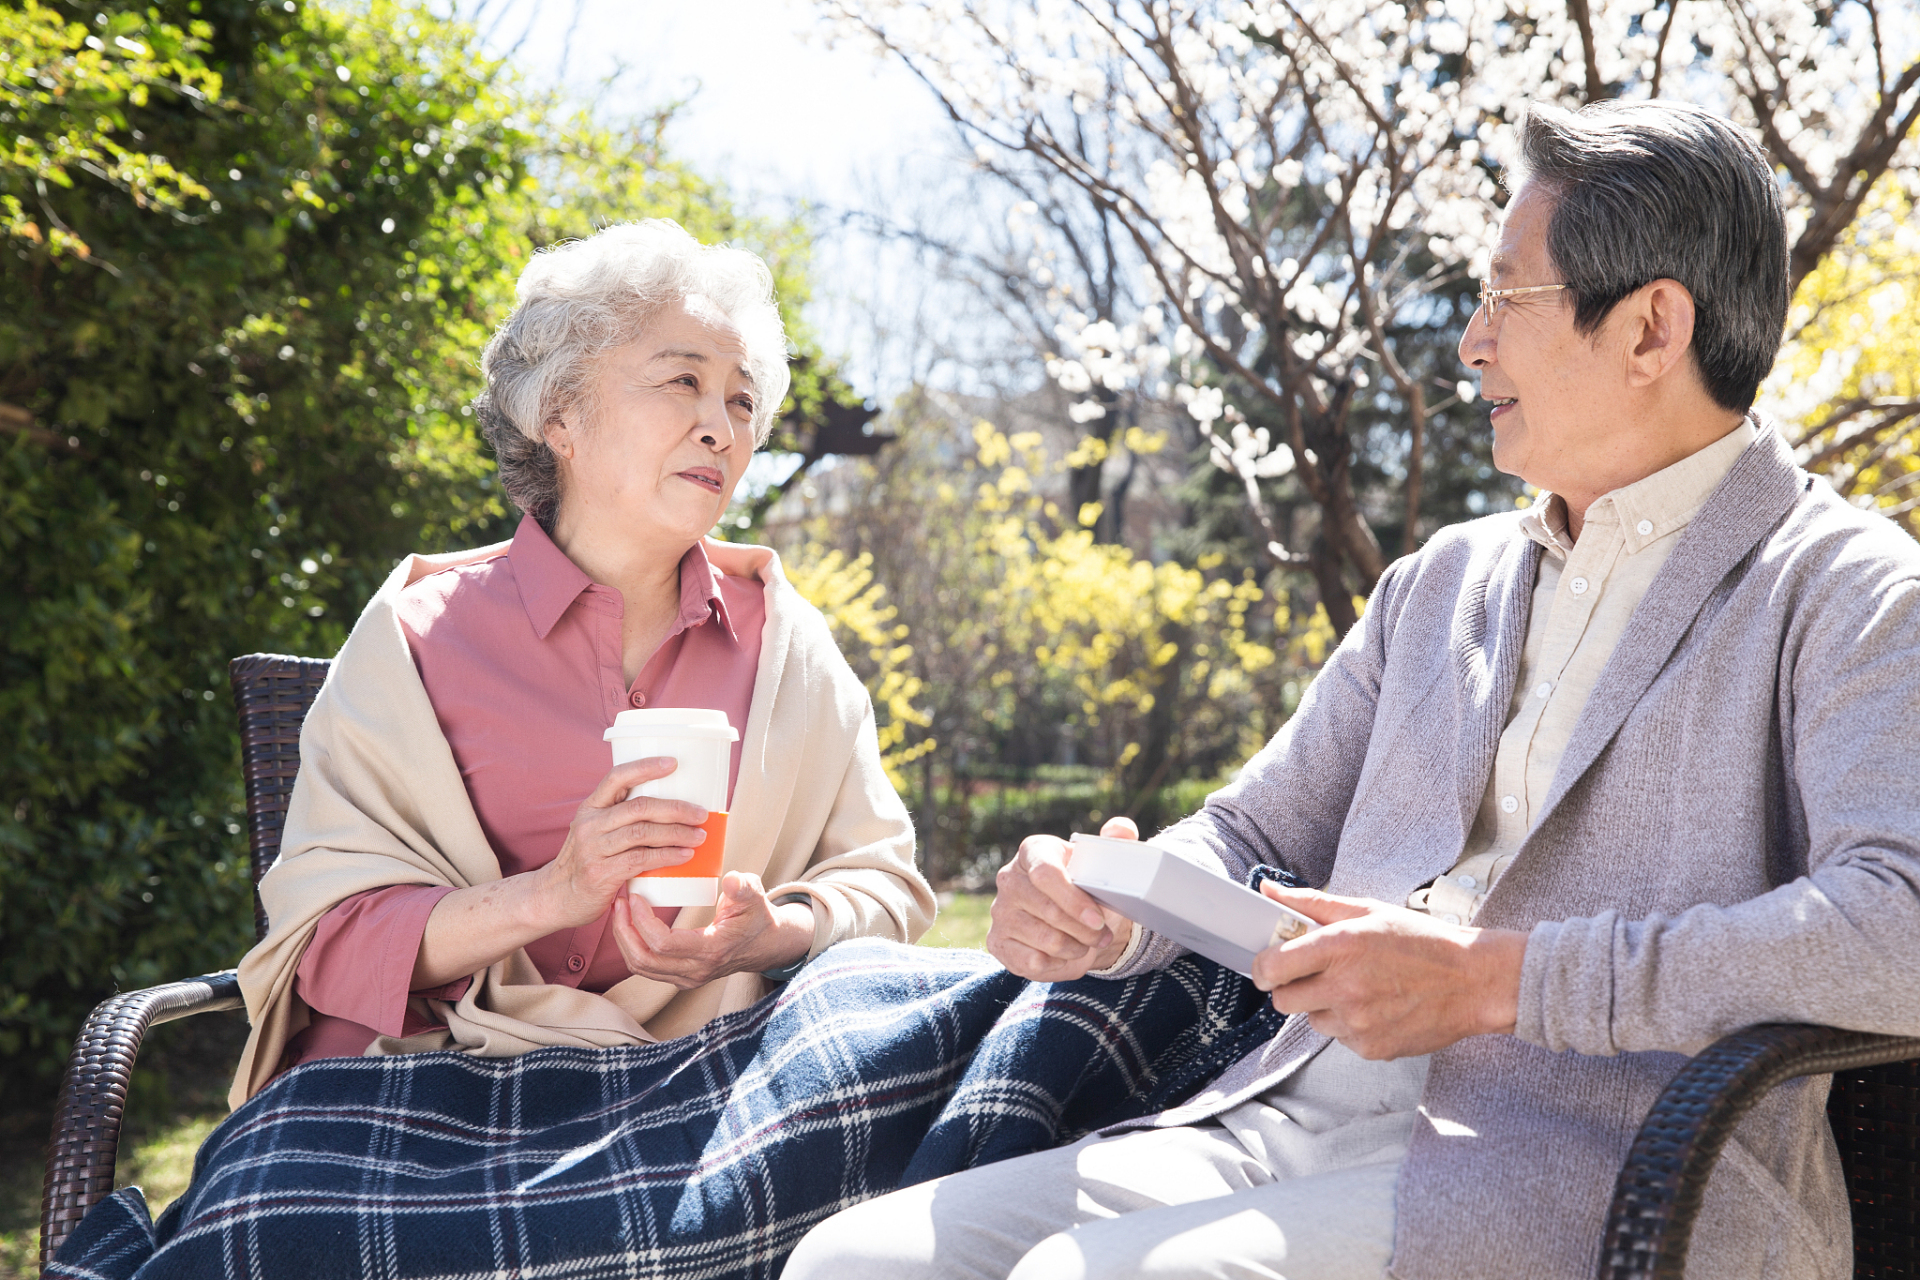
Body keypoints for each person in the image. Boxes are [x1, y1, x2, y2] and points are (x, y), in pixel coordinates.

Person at [784, 100, 1920, 1280]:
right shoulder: (1445, 582)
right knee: (857, 1259)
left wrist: (1500, 980)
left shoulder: (1848, 590)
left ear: (1649, 329)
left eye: (1504, 299)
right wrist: (1116, 907)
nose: (1471, 343)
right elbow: (1251, 829)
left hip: (1604, 1165)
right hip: (1288, 1117)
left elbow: (1902, 924)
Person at [230, 219, 936, 1102]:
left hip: (697, 1091)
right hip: (434, 1085)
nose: (721, 427)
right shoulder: (415, 638)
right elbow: (329, 943)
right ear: (558, 413)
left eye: (742, 401)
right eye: (684, 381)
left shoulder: (789, 647)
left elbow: (885, 885)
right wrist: (554, 893)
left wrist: (775, 932)